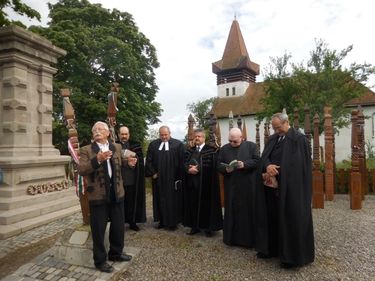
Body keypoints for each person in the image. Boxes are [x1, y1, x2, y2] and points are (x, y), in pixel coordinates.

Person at [255, 112, 314, 268]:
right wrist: (268, 166)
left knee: (290, 219)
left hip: (291, 189)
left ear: (286, 122)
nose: (276, 131)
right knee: (271, 217)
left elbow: (299, 167)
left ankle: (291, 257)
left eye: (278, 127)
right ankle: (270, 249)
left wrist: (277, 171)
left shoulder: (299, 139)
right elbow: (264, 156)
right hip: (271, 187)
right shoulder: (274, 139)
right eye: (274, 128)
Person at [78, 121, 133, 273]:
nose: (97, 131)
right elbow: (82, 169)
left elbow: (122, 162)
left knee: (118, 226)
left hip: (117, 193)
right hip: (98, 196)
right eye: (94, 129)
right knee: (98, 230)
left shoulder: (117, 146)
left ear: (108, 132)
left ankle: (116, 253)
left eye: (100, 129)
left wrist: (130, 163)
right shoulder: (86, 149)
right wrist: (98, 159)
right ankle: (100, 261)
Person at [217, 127, 260, 247]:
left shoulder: (252, 146)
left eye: (235, 141)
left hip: (247, 185)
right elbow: (218, 164)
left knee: (247, 212)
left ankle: (248, 241)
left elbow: (257, 161)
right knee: (231, 210)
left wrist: (244, 164)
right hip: (231, 185)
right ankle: (231, 238)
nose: (232, 143)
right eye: (230, 140)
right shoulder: (224, 148)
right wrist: (225, 168)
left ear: (242, 138)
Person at [183, 128, 223, 237]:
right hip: (192, 183)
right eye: (195, 136)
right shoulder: (189, 150)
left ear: (204, 138)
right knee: (193, 205)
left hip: (206, 183)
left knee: (207, 206)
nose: (197, 138)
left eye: (199, 136)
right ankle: (194, 227)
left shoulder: (211, 150)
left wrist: (199, 168)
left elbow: (212, 165)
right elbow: (184, 163)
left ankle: (208, 228)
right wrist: (188, 169)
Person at [145, 126, 185, 230]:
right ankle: (162, 221)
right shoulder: (153, 145)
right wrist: (153, 173)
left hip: (172, 179)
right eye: (161, 135)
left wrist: (179, 177)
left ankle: (173, 223)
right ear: (159, 134)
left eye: (165, 135)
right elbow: (148, 160)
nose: (164, 137)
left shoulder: (178, 145)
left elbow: (182, 162)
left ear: (169, 133)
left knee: (173, 201)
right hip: (158, 179)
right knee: (160, 199)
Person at [118, 126, 146, 231]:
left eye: (126, 134)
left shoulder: (136, 145)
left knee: (131, 202)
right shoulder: (114, 145)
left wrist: (134, 159)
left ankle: (132, 222)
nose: (124, 136)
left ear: (129, 134)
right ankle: (119, 222)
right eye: (122, 134)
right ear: (118, 134)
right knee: (119, 202)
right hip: (118, 179)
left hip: (132, 179)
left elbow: (141, 161)